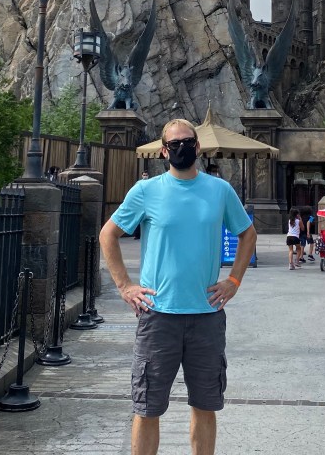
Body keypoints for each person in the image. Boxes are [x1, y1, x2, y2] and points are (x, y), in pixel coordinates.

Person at [99, 118, 257, 455]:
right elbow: (108, 234)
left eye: (187, 142)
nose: (181, 148)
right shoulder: (146, 191)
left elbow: (247, 234)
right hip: (158, 316)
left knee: (205, 405)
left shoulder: (219, 190)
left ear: (198, 147)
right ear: (163, 151)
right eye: (174, 144)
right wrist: (125, 286)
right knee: (147, 407)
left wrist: (233, 280)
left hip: (206, 316)